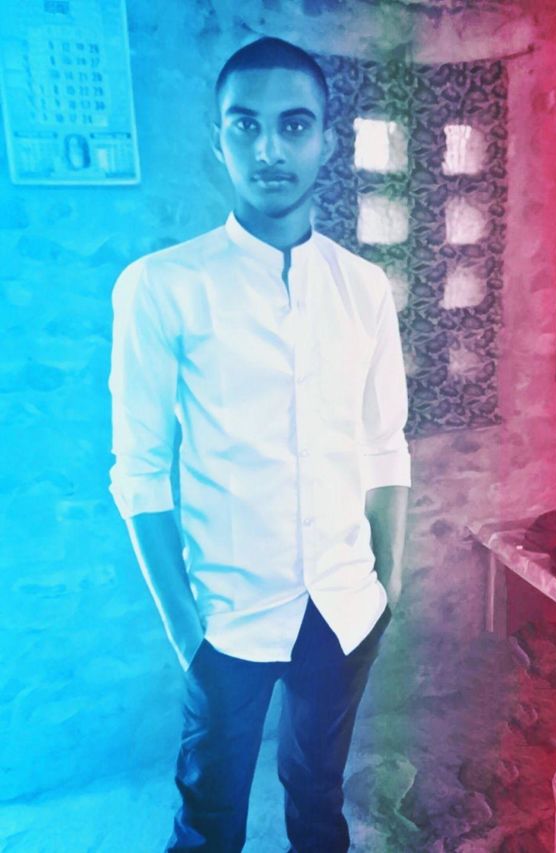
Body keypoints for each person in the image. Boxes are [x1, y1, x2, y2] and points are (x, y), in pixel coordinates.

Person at [108, 36, 411, 853]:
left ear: (327, 141)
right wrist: (187, 632)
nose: (269, 148)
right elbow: (139, 473)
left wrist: (386, 586)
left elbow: (385, 446)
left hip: (341, 608)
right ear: (219, 140)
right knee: (209, 824)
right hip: (228, 620)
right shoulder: (163, 288)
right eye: (246, 125)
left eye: (293, 125)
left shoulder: (363, 288)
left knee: (318, 802)